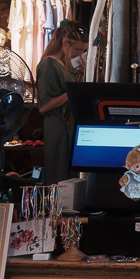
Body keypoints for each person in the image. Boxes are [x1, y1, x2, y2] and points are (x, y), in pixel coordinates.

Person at [36, 19, 85, 184]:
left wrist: (82, 74)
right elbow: (44, 107)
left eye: (83, 50)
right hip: (57, 126)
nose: (80, 54)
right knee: (60, 172)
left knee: (73, 175)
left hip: (70, 124)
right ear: (64, 43)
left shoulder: (66, 65)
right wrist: (72, 91)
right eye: (77, 49)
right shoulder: (48, 64)